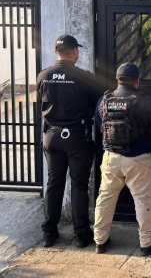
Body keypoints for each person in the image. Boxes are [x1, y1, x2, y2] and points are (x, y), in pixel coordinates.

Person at [93, 63, 151, 256]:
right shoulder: (144, 101)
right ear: (137, 80)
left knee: (105, 199)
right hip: (138, 159)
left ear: (117, 79)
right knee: (143, 201)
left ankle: (100, 241)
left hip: (111, 157)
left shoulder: (105, 99)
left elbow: (100, 125)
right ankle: (147, 243)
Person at [37, 34, 103, 248]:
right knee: (79, 185)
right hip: (76, 137)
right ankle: (81, 235)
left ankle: (49, 233)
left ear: (56, 51)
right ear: (74, 52)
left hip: (51, 137)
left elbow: (40, 106)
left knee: (54, 184)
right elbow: (99, 105)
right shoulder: (83, 77)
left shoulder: (43, 75)